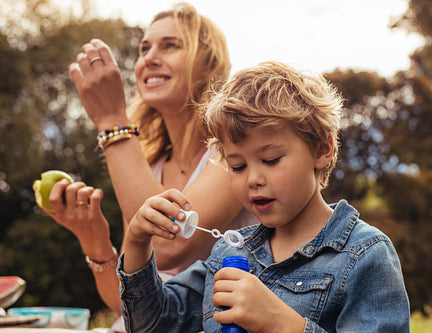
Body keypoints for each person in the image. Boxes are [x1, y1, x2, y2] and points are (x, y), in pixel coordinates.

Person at [118, 61, 411, 332]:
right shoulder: (228, 253)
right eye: (237, 166)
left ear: (322, 150)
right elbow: (152, 324)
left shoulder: (365, 256)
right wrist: (137, 243)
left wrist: (282, 322)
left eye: (270, 160)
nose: (253, 179)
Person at [44, 2, 258, 330]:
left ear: (208, 64)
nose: (149, 58)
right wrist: (96, 240)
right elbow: (135, 305)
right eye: (145, 48)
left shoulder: (233, 153)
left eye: (170, 45)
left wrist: (112, 121)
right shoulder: (149, 165)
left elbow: (167, 243)